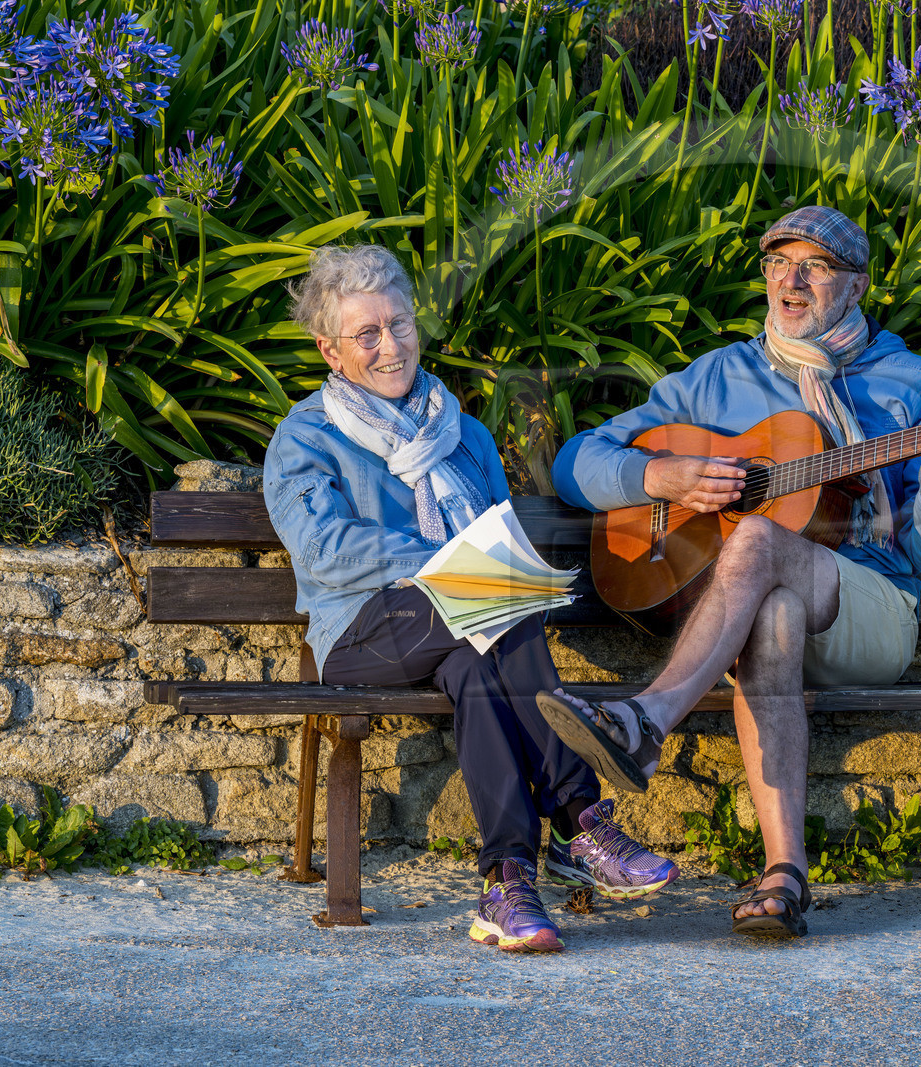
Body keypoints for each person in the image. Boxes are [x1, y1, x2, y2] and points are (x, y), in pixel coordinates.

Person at [539, 206, 921, 938]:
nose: (792, 280)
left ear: (858, 286)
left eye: (815, 266)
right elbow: (574, 461)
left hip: (869, 608)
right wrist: (661, 476)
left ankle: (645, 720)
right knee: (769, 603)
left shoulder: (911, 382)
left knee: (752, 542)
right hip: (766, 611)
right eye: (779, 263)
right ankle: (784, 873)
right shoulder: (720, 378)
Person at [263, 244, 675, 953]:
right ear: (332, 351)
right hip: (361, 632)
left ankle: (507, 880)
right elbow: (325, 549)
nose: (391, 347)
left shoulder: (465, 435)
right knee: (490, 597)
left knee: (482, 661)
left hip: (464, 633)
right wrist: (443, 564)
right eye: (368, 334)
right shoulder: (306, 437)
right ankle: (580, 819)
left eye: (399, 325)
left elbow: (498, 539)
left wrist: (475, 572)